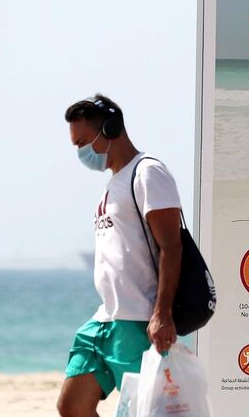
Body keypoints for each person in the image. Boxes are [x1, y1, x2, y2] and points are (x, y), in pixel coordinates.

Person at [57, 94, 183, 417]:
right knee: (71, 406)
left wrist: (163, 314)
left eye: (83, 142)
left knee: (140, 412)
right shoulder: (112, 184)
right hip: (105, 320)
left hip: (139, 321)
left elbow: (172, 246)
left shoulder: (147, 173)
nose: (81, 153)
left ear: (110, 129)